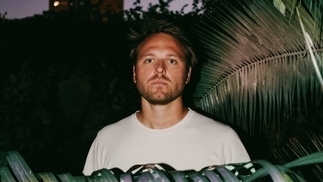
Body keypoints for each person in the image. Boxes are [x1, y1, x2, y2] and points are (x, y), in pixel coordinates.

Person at [83, 18, 250, 175]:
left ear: (188, 74)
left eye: (172, 61)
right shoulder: (107, 140)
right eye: (149, 60)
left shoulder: (223, 140)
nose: (160, 69)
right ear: (134, 72)